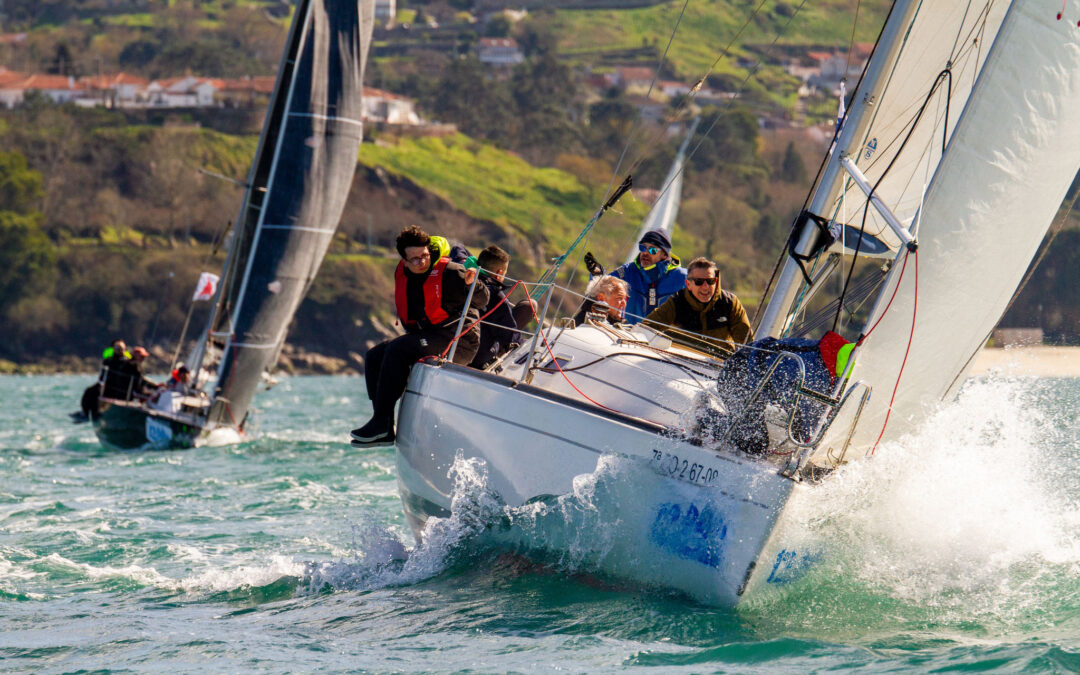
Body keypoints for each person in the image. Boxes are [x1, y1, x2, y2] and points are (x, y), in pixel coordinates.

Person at [350, 225, 489, 447]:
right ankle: (383, 423)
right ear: (404, 260)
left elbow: (483, 299)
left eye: (424, 255)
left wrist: (474, 283)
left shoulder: (450, 272)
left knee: (398, 349)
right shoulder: (403, 274)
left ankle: (381, 423)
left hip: (459, 342)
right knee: (374, 356)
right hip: (431, 336)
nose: (421, 262)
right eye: (414, 259)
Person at [643, 257, 752, 355]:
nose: (705, 287)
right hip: (682, 363)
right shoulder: (676, 303)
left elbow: (748, 345)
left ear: (716, 281)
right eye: (699, 282)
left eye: (710, 281)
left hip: (719, 365)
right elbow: (646, 329)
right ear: (688, 284)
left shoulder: (730, 303)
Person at [469, 245, 537, 369]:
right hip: (478, 358)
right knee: (530, 305)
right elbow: (509, 335)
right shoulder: (496, 296)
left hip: (453, 346)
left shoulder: (463, 280)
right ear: (499, 273)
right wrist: (526, 345)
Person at [609, 230, 687, 324]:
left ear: (664, 254)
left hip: (663, 334)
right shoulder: (628, 271)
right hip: (628, 332)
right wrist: (597, 273)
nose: (645, 253)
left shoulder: (683, 277)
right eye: (642, 248)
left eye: (652, 250)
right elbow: (602, 285)